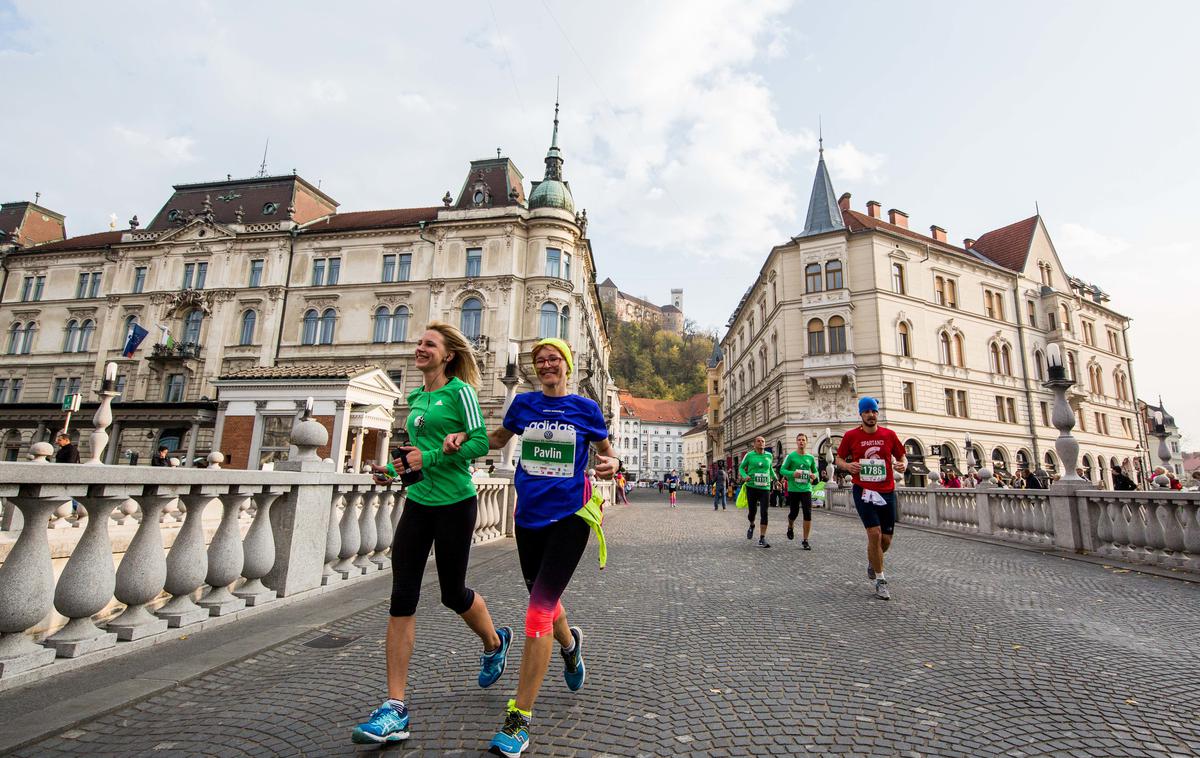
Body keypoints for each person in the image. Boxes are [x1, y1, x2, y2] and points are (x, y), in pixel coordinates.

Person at [454, 337, 617, 758]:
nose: (547, 365)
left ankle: (518, 720)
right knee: (545, 602)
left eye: (554, 359)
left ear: (568, 364)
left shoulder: (587, 409)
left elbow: (606, 452)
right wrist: (457, 437)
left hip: (571, 518)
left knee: (538, 611)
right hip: (527, 519)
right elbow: (493, 440)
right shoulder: (523, 405)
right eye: (540, 360)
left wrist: (612, 463)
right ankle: (570, 645)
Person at [352, 322, 512, 746]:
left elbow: (481, 443)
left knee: (452, 592)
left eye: (429, 344)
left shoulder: (461, 393)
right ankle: (395, 707)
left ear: (448, 355)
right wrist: (392, 469)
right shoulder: (417, 397)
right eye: (420, 342)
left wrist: (449, 447)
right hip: (419, 502)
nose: (420, 348)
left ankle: (495, 642)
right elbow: (416, 456)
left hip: (456, 503)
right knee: (402, 595)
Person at [836, 397, 906, 601]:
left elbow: (902, 456)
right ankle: (881, 580)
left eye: (874, 411)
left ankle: (873, 561)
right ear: (861, 414)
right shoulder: (850, 436)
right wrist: (848, 466)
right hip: (864, 491)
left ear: (877, 413)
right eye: (866, 411)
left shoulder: (889, 435)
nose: (871, 414)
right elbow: (839, 458)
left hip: (886, 491)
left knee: (886, 539)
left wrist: (904, 465)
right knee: (874, 534)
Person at [780, 432, 818, 549]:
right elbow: (782, 470)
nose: (801, 442)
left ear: (806, 442)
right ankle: (790, 526)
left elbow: (815, 471)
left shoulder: (810, 457)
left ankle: (805, 540)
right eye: (799, 440)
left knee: (808, 513)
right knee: (794, 513)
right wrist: (793, 473)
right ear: (796, 442)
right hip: (793, 489)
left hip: (806, 489)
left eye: (803, 440)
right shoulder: (791, 457)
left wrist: (814, 476)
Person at [739, 436, 774, 548]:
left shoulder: (769, 455)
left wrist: (776, 479)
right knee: (752, 512)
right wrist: (745, 476)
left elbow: (770, 469)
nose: (761, 443)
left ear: (765, 443)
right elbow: (741, 468)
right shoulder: (749, 455)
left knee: (764, 512)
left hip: (765, 487)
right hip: (752, 487)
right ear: (754, 444)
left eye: (763, 441)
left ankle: (762, 538)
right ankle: (752, 524)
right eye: (758, 441)